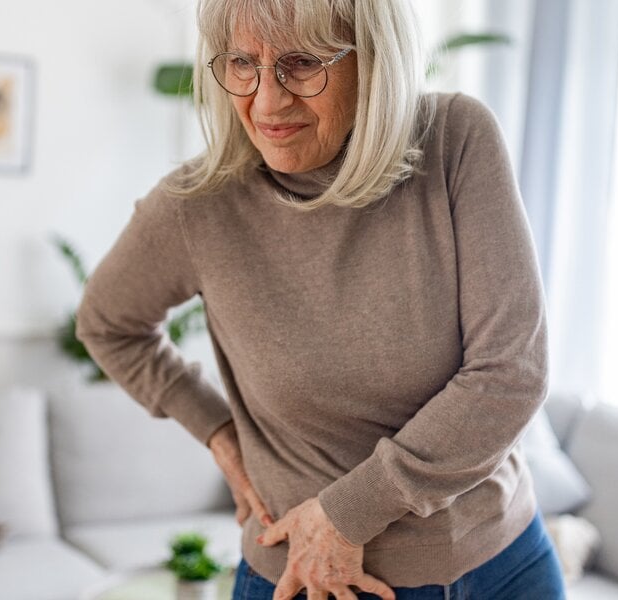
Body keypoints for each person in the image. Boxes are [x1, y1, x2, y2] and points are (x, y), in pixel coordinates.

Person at [76, 0, 564, 598]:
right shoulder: (196, 208)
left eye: (302, 64)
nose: (266, 101)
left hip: (503, 563)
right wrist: (218, 432)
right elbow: (106, 324)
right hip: (309, 579)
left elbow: (511, 374)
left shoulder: (454, 142)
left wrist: (346, 513)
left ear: (373, 62)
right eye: (241, 63)